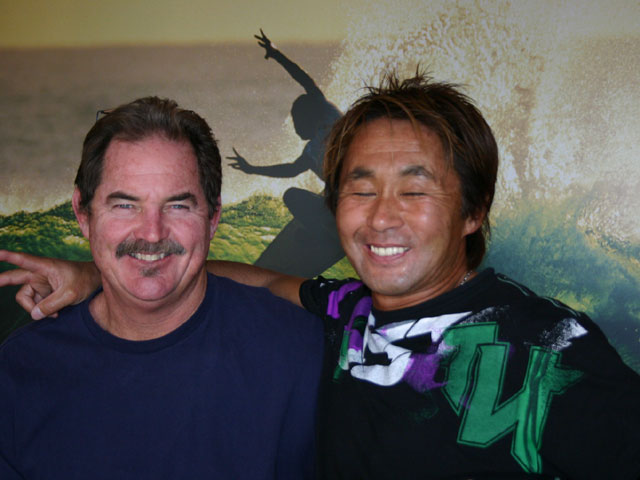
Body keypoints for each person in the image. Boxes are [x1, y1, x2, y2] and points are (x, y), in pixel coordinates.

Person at [3, 73, 640, 479]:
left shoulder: (552, 349)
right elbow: (249, 279)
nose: (382, 217)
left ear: (473, 211)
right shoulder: (343, 312)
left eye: (414, 190)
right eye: (361, 189)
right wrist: (99, 273)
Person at [0, 97, 323, 479]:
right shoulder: (20, 370)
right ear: (83, 215)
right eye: (125, 205)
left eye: (178, 206)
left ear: (213, 217)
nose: (152, 233)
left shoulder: (297, 352)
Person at [227, 30, 344, 277]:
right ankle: (327, 225)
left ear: (306, 118)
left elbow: (289, 171)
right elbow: (304, 79)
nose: (294, 127)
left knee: (292, 196)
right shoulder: (329, 115)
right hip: (352, 196)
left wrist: (251, 169)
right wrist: (276, 54)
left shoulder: (312, 149)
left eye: (296, 121)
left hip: (340, 208)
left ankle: (322, 232)